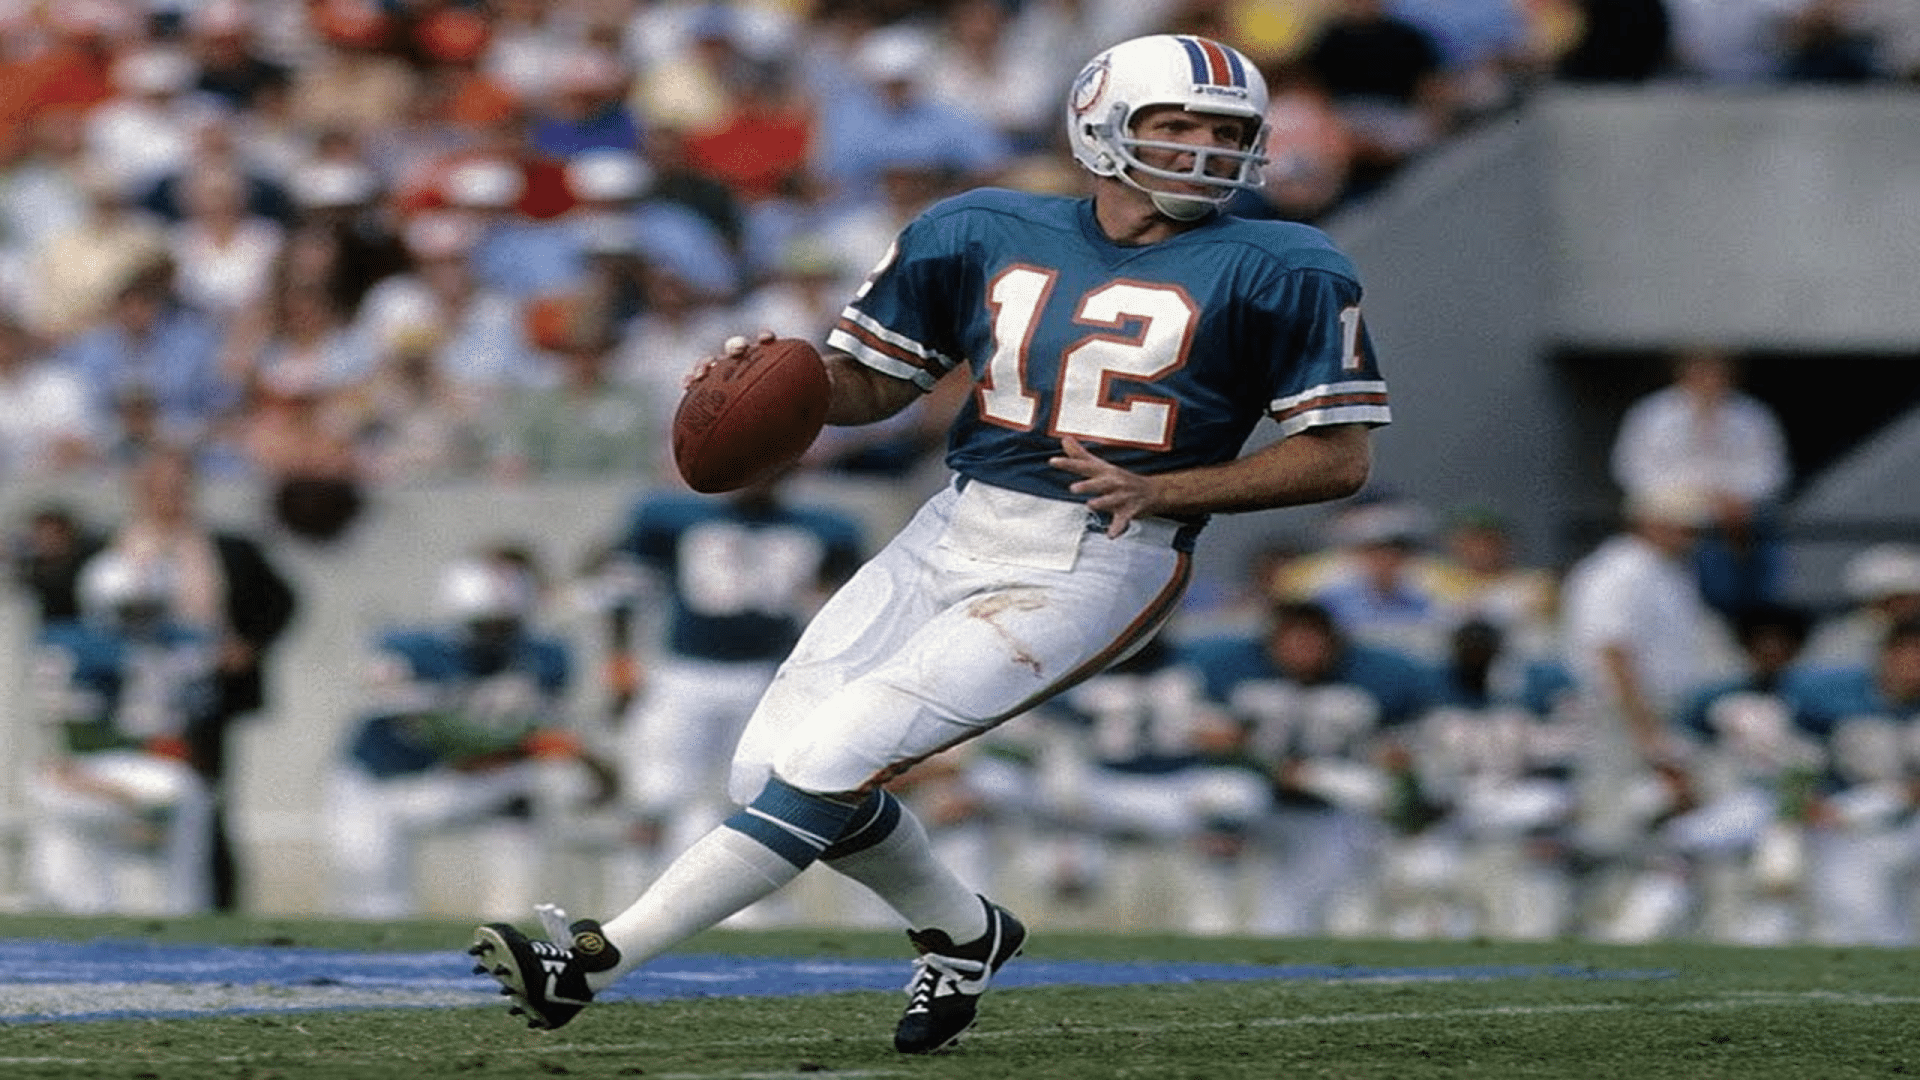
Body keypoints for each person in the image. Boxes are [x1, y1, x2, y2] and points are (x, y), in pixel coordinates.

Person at [468, 33, 1387, 1055]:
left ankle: (590, 962)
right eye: (1174, 124)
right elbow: (876, 384)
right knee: (769, 772)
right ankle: (964, 932)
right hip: (953, 521)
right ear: (1097, 125)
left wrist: (1172, 484)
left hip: (1104, 546)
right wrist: (786, 381)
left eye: (1227, 132)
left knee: (836, 756)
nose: (1204, 149)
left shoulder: (1291, 262)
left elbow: (1337, 458)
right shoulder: (980, 225)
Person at [599, 471, 864, 893]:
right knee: (653, 796)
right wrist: (620, 662)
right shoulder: (667, 516)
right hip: (685, 671)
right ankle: (627, 902)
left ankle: (745, 911)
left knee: (756, 800)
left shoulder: (827, 528)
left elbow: (851, 607)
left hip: (770, 676)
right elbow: (621, 592)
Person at [326, 552, 589, 919]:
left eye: (506, 624)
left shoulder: (542, 657)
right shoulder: (413, 652)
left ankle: (514, 917)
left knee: (545, 783)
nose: (496, 635)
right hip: (382, 785)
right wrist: (518, 739)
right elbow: (437, 732)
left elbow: (551, 732)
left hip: (463, 783)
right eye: (486, 624)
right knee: (375, 900)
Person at [100, 446, 299, 911]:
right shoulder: (116, 547)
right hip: (132, 697)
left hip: (204, 694)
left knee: (204, 796)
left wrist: (247, 645)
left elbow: (281, 601)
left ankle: (215, 901)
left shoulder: (225, 548)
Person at [24, 549, 218, 915]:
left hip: (143, 767)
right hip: (97, 768)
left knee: (165, 889)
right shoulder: (79, 644)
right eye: (131, 609)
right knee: (73, 894)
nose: (140, 620)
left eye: (149, 608)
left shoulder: (182, 641)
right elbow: (65, 726)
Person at [1610, 346, 1791, 619]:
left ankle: (1757, 614)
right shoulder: (1653, 414)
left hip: (1740, 510)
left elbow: (1771, 470)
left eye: (1716, 374)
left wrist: (1737, 498)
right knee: (1692, 538)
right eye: (1701, 373)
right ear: (1684, 375)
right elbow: (1631, 468)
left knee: (1763, 533)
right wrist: (1691, 497)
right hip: (1674, 508)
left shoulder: (1752, 416)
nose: (1709, 382)